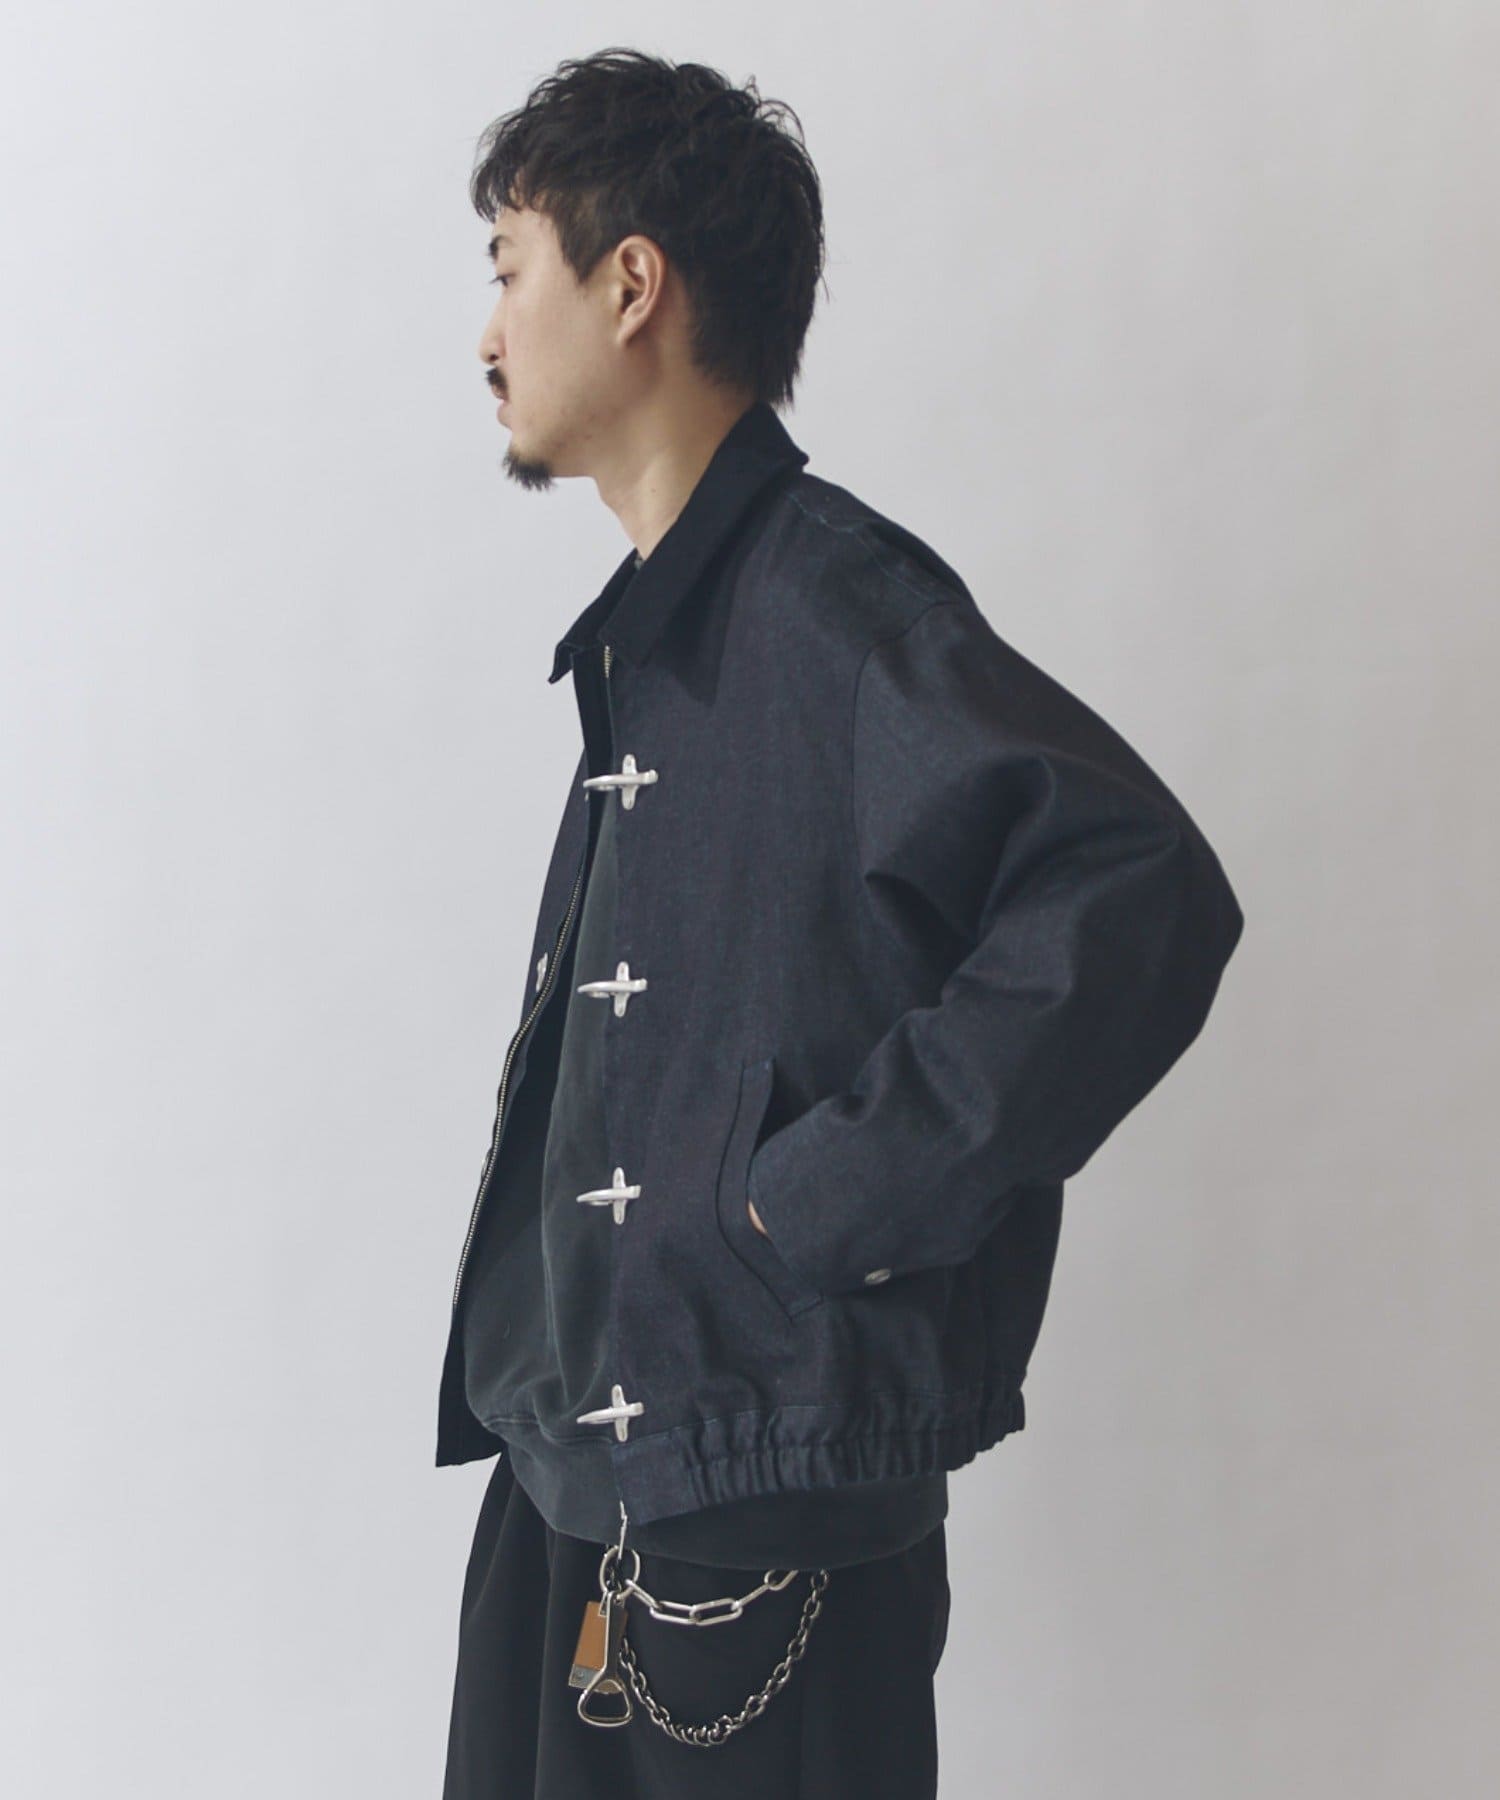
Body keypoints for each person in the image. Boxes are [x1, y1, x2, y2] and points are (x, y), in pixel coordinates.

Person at [439, 47, 1245, 1800]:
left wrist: (823, 1200)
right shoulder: (664, 628)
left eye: (509, 271)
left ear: (631, 284)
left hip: (754, 1521)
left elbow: (1138, 888)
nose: (486, 333)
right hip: (576, 1478)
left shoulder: (831, 604)